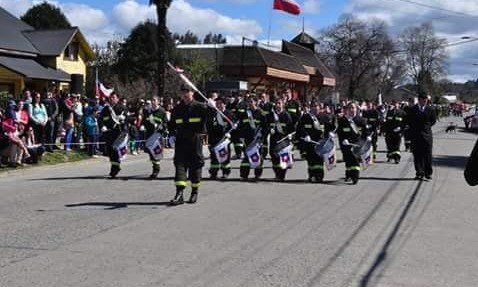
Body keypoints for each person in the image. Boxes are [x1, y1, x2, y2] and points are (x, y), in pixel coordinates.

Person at [169, 84, 209, 205]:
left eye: (187, 92)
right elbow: (171, 125)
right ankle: (179, 193)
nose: (185, 94)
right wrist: (171, 134)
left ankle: (194, 192)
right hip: (181, 141)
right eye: (183, 92)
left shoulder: (201, 107)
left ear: (192, 93)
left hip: (195, 141)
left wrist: (211, 108)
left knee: (195, 166)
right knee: (179, 166)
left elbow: (210, 119)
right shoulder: (177, 109)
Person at [297, 101, 336, 183]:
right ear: (310, 108)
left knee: (319, 161)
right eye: (313, 106)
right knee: (311, 161)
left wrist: (331, 133)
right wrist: (305, 135)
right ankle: (312, 175)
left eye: (317, 106)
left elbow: (330, 127)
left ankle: (319, 176)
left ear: (320, 107)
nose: (315, 108)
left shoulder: (324, 117)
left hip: (320, 143)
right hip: (309, 143)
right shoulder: (305, 117)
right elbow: (299, 129)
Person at [337, 102, 370, 184]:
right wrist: (343, 139)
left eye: (353, 108)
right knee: (348, 160)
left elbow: (366, 132)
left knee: (355, 160)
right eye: (350, 108)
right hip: (346, 144)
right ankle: (348, 174)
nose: (352, 110)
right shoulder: (343, 120)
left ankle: (355, 176)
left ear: (356, 109)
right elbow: (340, 132)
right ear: (347, 110)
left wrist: (368, 137)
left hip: (357, 144)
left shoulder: (362, 120)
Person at [406, 92, 436, 180]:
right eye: (423, 100)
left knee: (428, 155)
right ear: (419, 100)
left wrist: (427, 127)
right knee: (417, 155)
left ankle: (428, 173)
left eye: (426, 100)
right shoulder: (413, 109)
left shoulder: (430, 110)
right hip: (416, 136)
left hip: (427, 135)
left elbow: (433, 121)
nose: (425, 102)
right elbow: (409, 121)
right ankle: (419, 172)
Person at [98, 92, 128, 178]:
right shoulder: (106, 109)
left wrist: (124, 118)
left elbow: (129, 118)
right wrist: (102, 126)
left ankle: (114, 168)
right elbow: (100, 119)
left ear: (117, 99)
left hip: (119, 133)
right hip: (109, 132)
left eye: (114, 97)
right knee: (110, 151)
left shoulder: (122, 108)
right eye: (111, 97)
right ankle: (116, 166)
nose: (112, 99)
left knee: (115, 150)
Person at [237, 96, 265, 181]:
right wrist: (241, 136)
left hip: (257, 139)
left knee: (258, 156)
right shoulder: (245, 113)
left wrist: (262, 135)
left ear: (256, 102)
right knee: (246, 157)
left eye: (251, 101)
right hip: (247, 139)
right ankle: (244, 174)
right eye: (248, 102)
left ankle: (257, 174)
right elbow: (241, 126)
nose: (250, 103)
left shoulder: (261, 113)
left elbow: (265, 126)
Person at [266, 97, 294, 181]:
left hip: (283, 139)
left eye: (279, 103)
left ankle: (281, 175)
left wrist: (290, 135)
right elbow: (265, 125)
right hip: (274, 139)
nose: (278, 105)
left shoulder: (286, 115)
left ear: (283, 104)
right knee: (273, 156)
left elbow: (291, 128)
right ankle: (277, 173)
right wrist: (269, 130)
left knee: (283, 158)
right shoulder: (271, 115)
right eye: (276, 103)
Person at [206, 97, 234, 179]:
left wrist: (232, 130)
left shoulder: (229, 114)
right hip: (214, 139)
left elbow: (234, 124)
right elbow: (208, 125)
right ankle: (213, 173)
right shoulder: (213, 113)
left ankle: (226, 172)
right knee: (214, 157)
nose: (218, 105)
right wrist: (209, 106)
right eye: (217, 103)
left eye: (220, 103)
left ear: (224, 104)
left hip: (224, 139)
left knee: (225, 157)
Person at [143, 96, 167, 179]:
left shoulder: (162, 111)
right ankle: (155, 167)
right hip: (149, 134)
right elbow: (144, 120)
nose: (153, 102)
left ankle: (156, 170)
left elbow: (166, 123)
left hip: (157, 135)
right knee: (150, 153)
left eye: (154, 100)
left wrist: (162, 127)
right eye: (152, 100)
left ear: (158, 102)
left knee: (156, 153)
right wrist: (143, 125)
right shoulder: (147, 111)